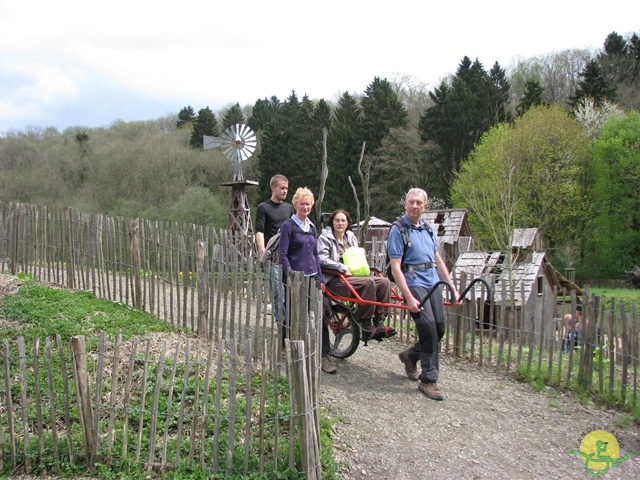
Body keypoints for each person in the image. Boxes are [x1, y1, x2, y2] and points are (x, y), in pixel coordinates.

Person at [390, 188, 460, 401]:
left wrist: (453, 289)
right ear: (405, 204)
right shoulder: (398, 229)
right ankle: (428, 380)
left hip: (433, 283)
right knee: (428, 328)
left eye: (419, 203)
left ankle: (410, 356)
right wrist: (409, 297)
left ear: (425, 207)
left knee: (438, 329)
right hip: (414, 283)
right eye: (411, 202)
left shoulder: (428, 230)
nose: (414, 206)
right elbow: (395, 266)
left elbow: (438, 262)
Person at [278, 188, 335, 373]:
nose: (305, 207)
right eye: (302, 203)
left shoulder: (311, 227)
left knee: (320, 315)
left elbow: (315, 255)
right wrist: (291, 275)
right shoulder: (288, 226)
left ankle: (323, 354)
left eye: (308, 204)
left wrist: (320, 278)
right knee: (295, 315)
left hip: (312, 279)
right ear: (295, 205)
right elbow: (283, 254)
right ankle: (289, 348)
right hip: (296, 280)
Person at [317, 209, 395, 341]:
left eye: (343, 220)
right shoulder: (324, 238)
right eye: (337, 220)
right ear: (332, 222)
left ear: (347, 223)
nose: (340, 223)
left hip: (353, 277)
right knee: (368, 283)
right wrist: (341, 267)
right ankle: (365, 324)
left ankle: (379, 321)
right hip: (335, 278)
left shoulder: (351, 237)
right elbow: (322, 259)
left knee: (384, 282)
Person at [255, 174, 295, 322]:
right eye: (282, 188)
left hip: (288, 256)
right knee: (279, 292)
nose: (285, 191)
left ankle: (289, 320)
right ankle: (281, 323)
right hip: (273, 256)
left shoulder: (289, 208)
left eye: (286, 188)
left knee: (289, 289)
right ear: (273, 187)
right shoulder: (263, 208)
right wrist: (262, 250)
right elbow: (259, 230)